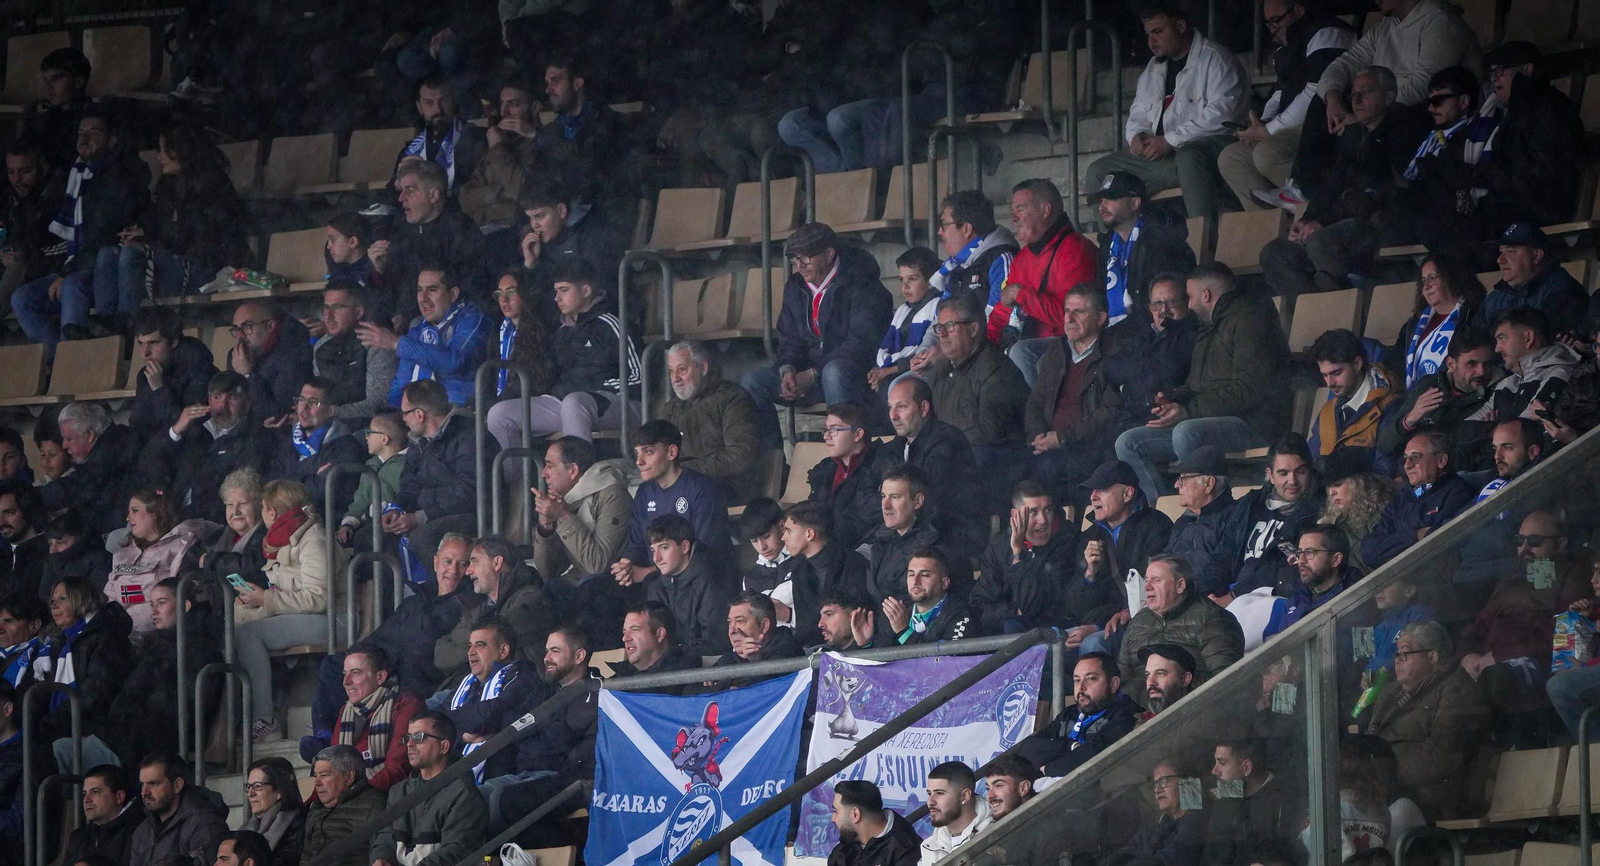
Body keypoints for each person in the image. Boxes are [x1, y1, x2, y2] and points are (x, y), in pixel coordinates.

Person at [1116, 264, 1292, 503]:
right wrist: (1173, 399)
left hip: (1256, 422)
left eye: (1188, 297)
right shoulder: (1209, 326)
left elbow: (1250, 389)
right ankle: (1164, 510)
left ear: (1206, 295)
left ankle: (1208, 509)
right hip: (1211, 418)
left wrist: (1189, 411)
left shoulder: (1251, 319)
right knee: (1128, 442)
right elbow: (1196, 385)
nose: (1187, 305)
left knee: (1186, 432)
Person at [1286, 0, 1480, 210]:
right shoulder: (1384, 28)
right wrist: (1332, 99)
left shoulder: (1442, 21)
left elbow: (1426, 85)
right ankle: (1307, 189)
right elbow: (1344, 64)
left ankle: (1357, 199)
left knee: (1377, 122)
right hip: (1383, 107)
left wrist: (1369, 112)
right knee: (1324, 98)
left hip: (1424, 115)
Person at [1258, 66, 1430, 296]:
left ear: (1389, 96)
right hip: (1348, 223)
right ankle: (1318, 307)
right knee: (1274, 252)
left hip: (1387, 222)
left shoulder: (1404, 128)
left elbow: (1376, 191)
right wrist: (1309, 218)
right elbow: (1333, 182)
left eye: (1366, 92)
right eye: (1353, 94)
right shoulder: (1353, 134)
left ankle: (1340, 305)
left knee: (1322, 241)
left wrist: (1323, 224)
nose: (1356, 99)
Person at [1084, 4, 1246, 222]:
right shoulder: (1153, 68)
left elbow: (1223, 116)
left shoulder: (1216, 59)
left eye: (1158, 32)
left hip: (1210, 151)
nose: (1152, 40)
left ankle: (1203, 242)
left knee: (1190, 157)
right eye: (1148, 34)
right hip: (1161, 157)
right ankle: (1109, 247)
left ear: (1180, 26)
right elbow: (1138, 111)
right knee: (1099, 172)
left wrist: (1170, 140)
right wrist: (1136, 135)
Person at [739, 223, 892, 449]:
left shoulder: (860, 279)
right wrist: (788, 369)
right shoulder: (796, 287)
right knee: (753, 381)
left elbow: (862, 342)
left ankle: (848, 457)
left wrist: (813, 374)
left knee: (835, 372)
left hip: (856, 374)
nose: (799, 266)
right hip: (812, 377)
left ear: (829, 254)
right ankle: (772, 461)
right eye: (794, 260)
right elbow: (789, 338)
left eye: (806, 258)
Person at [12, 109, 150, 350]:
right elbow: (48, 232)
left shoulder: (120, 175)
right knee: (22, 298)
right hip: (73, 264)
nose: (84, 139)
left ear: (112, 140)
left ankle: (79, 359)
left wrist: (66, 273)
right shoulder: (72, 176)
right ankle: (61, 360)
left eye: (93, 133)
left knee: (72, 286)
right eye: (80, 133)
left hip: (101, 267)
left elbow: (102, 235)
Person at [89, 123, 250, 319]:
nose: (159, 157)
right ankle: (106, 326)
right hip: (171, 260)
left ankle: (127, 323)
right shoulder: (167, 184)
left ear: (184, 150)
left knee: (130, 255)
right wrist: (139, 231)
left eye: (166, 150)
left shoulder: (212, 184)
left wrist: (149, 239)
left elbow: (198, 237)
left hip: (204, 268)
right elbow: (155, 220)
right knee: (108, 254)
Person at [1457, 509, 1589, 749]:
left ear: (1561, 544)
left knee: (1497, 681)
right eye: (1520, 541)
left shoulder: (1573, 574)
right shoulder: (1510, 579)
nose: (1525, 547)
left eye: (1535, 541)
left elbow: (1564, 633)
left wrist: (1499, 656)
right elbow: (1478, 626)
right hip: (1487, 665)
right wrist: (1468, 655)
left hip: (1532, 664)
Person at [1216, 0, 1356, 211]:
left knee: (1267, 153)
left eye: (1276, 21)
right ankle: (1270, 231)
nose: (1273, 29)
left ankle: (1321, 208)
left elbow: (1316, 91)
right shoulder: (1287, 44)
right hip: (1288, 126)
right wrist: (1263, 123)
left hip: (1323, 124)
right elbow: (1281, 88)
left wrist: (1270, 130)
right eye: (1268, 23)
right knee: (1231, 158)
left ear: (1298, 9)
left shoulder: (1327, 32)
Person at [486, 262, 640, 443]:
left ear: (586, 291)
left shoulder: (613, 324)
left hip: (617, 403)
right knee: (499, 414)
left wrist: (593, 389)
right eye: (556, 291)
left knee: (575, 402)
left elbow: (639, 378)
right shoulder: (562, 330)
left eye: (564, 290)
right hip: (567, 401)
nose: (557, 298)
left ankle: (577, 469)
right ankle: (519, 472)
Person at [235, 480, 340, 741]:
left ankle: (265, 720)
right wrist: (256, 599)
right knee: (231, 623)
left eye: (262, 507)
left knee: (248, 634)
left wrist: (267, 600)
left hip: (330, 619)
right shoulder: (285, 539)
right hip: (301, 615)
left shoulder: (313, 538)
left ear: (271, 512)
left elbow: (320, 598)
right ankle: (235, 717)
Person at [1365, 621, 1489, 819]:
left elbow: (1443, 753)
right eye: (1397, 654)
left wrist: (1383, 774)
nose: (1397, 660)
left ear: (1433, 656)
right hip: (1380, 791)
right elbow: (1371, 739)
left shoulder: (1456, 689)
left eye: (1405, 653)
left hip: (1427, 798)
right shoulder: (1389, 693)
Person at [485, 626, 598, 840]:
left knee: (501, 797)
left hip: (557, 776)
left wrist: (536, 722)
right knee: (473, 797)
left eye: (555, 651)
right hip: (522, 773)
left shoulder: (594, 694)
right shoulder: (544, 691)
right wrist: (542, 721)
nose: (546, 658)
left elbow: (569, 743)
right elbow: (511, 724)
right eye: (546, 651)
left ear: (579, 656)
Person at [100, 577, 221, 765]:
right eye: (151, 604)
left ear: (185, 606)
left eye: (162, 603)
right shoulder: (161, 645)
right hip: (142, 730)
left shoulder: (199, 646)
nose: (153, 611)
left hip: (166, 736)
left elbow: (186, 704)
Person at [1026, 285, 1126, 505]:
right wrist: (1038, 436)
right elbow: (1035, 401)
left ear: (1100, 318)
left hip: (1089, 445)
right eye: (1066, 311)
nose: (1069, 318)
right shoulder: (1057, 350)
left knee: (1051, 468)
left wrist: (1062, 438)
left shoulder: (1115, 354)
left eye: (1078, 312)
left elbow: (1110, 412)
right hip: (1050, 444)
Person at [1474, 42, 1588, 231]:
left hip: (1539, 212)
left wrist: (1491, 176)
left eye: (1501, 70)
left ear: (1527, 69)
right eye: (1492, 72)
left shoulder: (1549, 107)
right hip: (1517, 206)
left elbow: (1548, 175)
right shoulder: (1518, 109)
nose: (1494, 78)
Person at [1396, 67, 1500, 262]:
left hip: (1459, 226)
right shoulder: (1430, 136)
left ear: (1463, 101)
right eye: (1429, 102)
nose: (1431, 108)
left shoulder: (1475, 135)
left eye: (1438, 101)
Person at [612, 420, 732, 587]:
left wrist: (647, 573)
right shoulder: (643, 493)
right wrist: (626, 564)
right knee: (595, 588)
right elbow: (637, 543)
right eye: (636, 453)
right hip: (657, 582)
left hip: (700, 585)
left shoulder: (701, 489)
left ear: (671, 452)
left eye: (648, 452)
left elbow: (706, 555)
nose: (639, 461)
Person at [991, 179, 1097, 365]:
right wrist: (980, 346)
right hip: (1032, 345)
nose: (1013, 218)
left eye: (1020, 209)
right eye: (1012, 211)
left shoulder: (1076, 250)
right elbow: (1003, 311)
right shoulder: (1024, 257)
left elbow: (1071, 320)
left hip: (1073, 345)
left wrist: (1020, 293)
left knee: (1023, 353)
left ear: (1045, 210)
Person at [387, 379, 492, 563]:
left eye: (404, 413)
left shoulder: (469, 435)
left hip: (472, 514)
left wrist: (420, 516)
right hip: (431, 513)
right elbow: (409, 484)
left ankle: (446, 591)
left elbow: (468, 492)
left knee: (422, 538)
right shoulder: (418, 441)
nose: (403, 419)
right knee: (371, 535)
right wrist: (398, 509)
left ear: (419, 414)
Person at [1210, 435, 1326, 598]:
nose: (1292, 481)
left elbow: (1283, 566)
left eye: (1300, 472)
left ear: (1310, 471)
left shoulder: (1316, 511)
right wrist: (1209, 593)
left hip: (1269, 598)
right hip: (1228, 593)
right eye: (1283, 473)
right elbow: (1224, 552)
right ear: (1270, 475)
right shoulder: (1250, 504)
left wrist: (1234, 597)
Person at [1118, 555, 1244, 702]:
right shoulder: (1138, 621)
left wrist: (1174, 694)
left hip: (1189, 712)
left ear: (1180, 586)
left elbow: (1227, 682)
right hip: (1136, 716)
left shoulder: (1213, 619)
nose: (1147, 587)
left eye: (1156, 580)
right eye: (1146, 580)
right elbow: (1123, 677)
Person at [370, 712, 488, 866]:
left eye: (419, 737)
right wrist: (381, 857)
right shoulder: (398, 791)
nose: (410, 744)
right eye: (407, 738)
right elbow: (385, 835)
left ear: (444, 746)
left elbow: (458, 850)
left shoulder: (463, 793)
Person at [877, 377, 979, 554]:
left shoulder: (948, 441)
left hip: (947, 541)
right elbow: (868, 491)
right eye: (890, 407)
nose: (893, 416)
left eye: (901, 407)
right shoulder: (893, 448)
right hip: (902, 538)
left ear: (924, 408)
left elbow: (923, 497)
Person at [928, 293, 1029, 463]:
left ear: (974, 329)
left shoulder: (996, 369)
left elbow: (988, 433)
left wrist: (941, 445)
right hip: (950, 452)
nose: (942, 334)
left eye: (950, 326)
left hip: (996, 462)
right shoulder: (940, 367)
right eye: (939, 327)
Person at [370, 159, 488, 305]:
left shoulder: (462, 231)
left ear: (433, 196)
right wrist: (380, 270)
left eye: (410, 190)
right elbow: (391, 294)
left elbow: (472, 291)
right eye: (401, 191)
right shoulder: (400, 229)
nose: (401, 198)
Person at [373, 262, 489, 408]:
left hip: (456, 412)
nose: (423, 298)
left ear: (453, 294)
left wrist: (397, 343)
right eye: (419, 290)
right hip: (416, 417)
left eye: (432, 290)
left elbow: (454, 360)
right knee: (379, 425)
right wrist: (406, 412)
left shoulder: (472, 319)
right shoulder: (417, 331)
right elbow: (398, 388)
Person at [660, 340, 761, 505]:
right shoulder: (670, 409)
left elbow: (740, 456)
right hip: (687, 485)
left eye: (682, 369)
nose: (675, 378)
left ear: (704, 368)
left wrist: (686, 471)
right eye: (671, 372)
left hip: (731, 487)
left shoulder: (732, 398)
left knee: (689, 495)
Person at [1378, 328, 1495, 466]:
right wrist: (1410, 419)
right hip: (1408, 467)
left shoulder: (1495, 393)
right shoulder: (1429, 384)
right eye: (1472, 364)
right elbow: (1384, 444)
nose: (1481, 371)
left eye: (1487, 364)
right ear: (1451, 364)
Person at [1091, 172, 1196, 326]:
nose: (1102, 207)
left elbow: (1172, 300)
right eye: (1101, 200)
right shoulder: (1108, 245)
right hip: (1117, 334)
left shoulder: (1162, 240)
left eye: (1111, 198)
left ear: (1135, 203)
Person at [1360, 431, 1476, 568]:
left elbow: (1436, 541)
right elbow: (1369, 552)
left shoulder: (1458, 492)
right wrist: (1415, 536)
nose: (1407, 466)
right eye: (1405, 459)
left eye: (1415, 457)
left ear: (1441, 460)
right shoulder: (1400, 498)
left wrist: (1393, 544)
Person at [1016, 652, 1140, 777]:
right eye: (1076, 680)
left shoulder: (1126, 714)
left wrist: (1048, 768)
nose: (1081, 687)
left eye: (1091, 678)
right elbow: (1029, 747)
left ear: (1113, 684)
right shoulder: (1069, 714)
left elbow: (1093, 758)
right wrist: (1071, 746)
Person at [531, 54, 626, 207]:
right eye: (547, 83)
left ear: (577, 84)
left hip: (597, 218)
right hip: (557, 218)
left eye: (555, 81)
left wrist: (538, 136)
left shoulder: (608, 124)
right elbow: (534, 183)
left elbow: (588, 176)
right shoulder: (553, 130)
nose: (548, 90)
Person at [531, 436, 630, 583]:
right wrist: (546, 526)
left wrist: (563, 515)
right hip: (581, 582)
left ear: (573, 470)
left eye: (550, 465)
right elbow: (549, 571)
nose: (543, 473)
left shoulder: (613, 496)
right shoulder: (566, 499)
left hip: (610, 586)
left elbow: (597, 566)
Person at [106, 488, 202, 636]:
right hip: (119, 634)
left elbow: (177, 594)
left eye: (135, 510)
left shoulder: (181, 546)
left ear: (156, 513)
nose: (128, 518)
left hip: (159, 634)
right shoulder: (122, 554)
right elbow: (110, 598)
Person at [511, 179, 625, 303]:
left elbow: (603, 291)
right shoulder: (541, 244)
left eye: (540, 216)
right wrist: (530, 265)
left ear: (561, 211)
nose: (534, 225)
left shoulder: (593, 236)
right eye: (530, 218)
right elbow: (535, 299)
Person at [41, 401, 143, 538]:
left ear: (89, 435)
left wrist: (34, 498)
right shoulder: (114, 444)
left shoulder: (108, 458)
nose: (64, 445)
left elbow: (78, 487)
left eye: (69, 439)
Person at [330, 644, 425, 792]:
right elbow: (331, 766)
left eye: (355, 673)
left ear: (380, 677)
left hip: (382, 798)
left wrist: (349, 794)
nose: (346, 681)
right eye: (344, 674)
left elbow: (397, 769)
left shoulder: (405, 705)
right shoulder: (345, 711)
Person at [1307, 329, 1402, 473]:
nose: (1329, 383)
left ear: (1357, 364)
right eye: (1325, 375)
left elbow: (1386, 470)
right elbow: (1310, 466)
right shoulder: (1327, 412)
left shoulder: (1389, 405)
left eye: (1336, 373)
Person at [869, 468, 952, 632]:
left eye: (895, 497)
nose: (885, 506)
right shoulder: (879, 542)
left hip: (912, 642)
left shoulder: (936, 547)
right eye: (883, 496)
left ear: (918, 501)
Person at [640, 515, 735, 657]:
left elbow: (716, 642)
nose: (656, 558)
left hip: (710, 664)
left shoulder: (714, 576)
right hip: (675, 665)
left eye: (664, 548)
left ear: (684, 547)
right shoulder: (655, 587)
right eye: (653, 550)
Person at [1202, 739, 1306, 866]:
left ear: (1246, 767)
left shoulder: (1285, 801)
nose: (1214, 771)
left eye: (1222, 763)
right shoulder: (1225, 800)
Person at [269, 379, 365, 514]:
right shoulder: (289, 440)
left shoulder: (346, 447)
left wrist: (288, 480)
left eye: (313, 402)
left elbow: (321, 493)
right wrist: (309, 476)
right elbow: (271, 482)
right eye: (301, 400)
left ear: (331, 410)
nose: (304, 407)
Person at [1472, 223, 1590, 333]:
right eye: (1501, 251)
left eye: (1510, 251)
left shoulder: (1562, 292)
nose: (1500, 260)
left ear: (1536, 256)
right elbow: (1473, 341)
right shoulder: (1494, 298)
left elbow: (1546, 348)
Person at [783, 501, 870, 646]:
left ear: (809, 534)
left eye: (789, 531)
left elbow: (862, 616)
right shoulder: (798, 573)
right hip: (814, 654)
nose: (783, 537)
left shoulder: (853, 564)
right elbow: (805, 630)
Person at [1389, 254, 1483, 389]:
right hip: (1416, 399)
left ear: (1451, 278)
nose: (1426, 286)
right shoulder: (1416, 322)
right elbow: (1396, 358)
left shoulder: (1473, 316)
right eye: (1423, 280)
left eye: (1432, 278)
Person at [459, 78, 541, 231]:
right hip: (485, 231)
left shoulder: (545, 144)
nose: (504, 112)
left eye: (514, 104)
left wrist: (497, 148)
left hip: (521, 233)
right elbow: (465, 198)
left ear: (535, 107)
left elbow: (524, 195)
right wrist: (501, 193)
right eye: (502, 103)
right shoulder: (500, 141)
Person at [128, 307, 215, 448]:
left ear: (174, 342)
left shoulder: (201, 369)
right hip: (156, 451)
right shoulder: (146, 374)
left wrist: (159, 389)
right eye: (141, 344)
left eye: (153, 343)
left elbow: (190, 427)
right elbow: (137, 424)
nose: (145, 353)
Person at [932, 190, 1017, 333]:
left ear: (966, 229)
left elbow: (999, 319)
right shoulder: (955, 265)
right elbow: (939, 319)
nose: (940, 231)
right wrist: (927, 349)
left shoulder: (1001, 259)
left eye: (945, 224)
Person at [313, 282, 400, 422]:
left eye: (337, 308)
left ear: (358, 312)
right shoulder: (321, 346)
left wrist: (332, 413)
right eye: (325, 308)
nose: (328, 316)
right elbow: (316, 395)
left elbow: (378, 403)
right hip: (328, 422)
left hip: (366, 427)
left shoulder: (376, 344)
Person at [1475, 309, 1581, 424]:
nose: (1497, 349)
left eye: (1503, 338)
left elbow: (1524, 429)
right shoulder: (1505, 384)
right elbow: (1465, 431)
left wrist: (1490, 430)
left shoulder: (1560, 373)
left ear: (1528, 338)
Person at [394, 73, 488, 200]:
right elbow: (392, 198)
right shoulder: (409, 151)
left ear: (453, 101)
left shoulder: (478, 138)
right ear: (419, 107)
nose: (437, 109)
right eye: (429, 103)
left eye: (443, 100)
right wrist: (398, 183)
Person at [805, 403, 885, 550]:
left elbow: (870, 520)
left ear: (857, 434)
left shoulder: (880, 466)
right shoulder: (825, 469)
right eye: (826, 429)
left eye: (834, 429)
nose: (826, 436)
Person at [466, 537, 555, 663]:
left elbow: (495, 636)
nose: (467, 571)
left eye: (474, 561)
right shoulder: (485, 607)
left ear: (497, 563)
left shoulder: (531, 597)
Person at [128, 754, 229, 866]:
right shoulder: (142, 831)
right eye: (142, 784)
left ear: (177, 785)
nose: (144, 792)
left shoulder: (205, 824)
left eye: (154, 784)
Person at [0, 140, 64, 317]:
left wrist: (25, 253)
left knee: (18, 266)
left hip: (50, 272)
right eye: (11, 172)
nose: (17, 179)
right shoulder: (10, 198)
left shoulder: (58, 197)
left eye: (25, 171)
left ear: (42, 168)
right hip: (21, 266)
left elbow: (59, 249)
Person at [225, 301, 316, 421]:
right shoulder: (237, 354)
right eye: (236, 329)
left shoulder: (295, 355)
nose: (240, 336)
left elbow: (278, 414)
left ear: (270, 326)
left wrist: (248, 375)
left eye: (247, 327)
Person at [870, 247, 943, 394]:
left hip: (925, 370)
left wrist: (889, 370)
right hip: (900, 368)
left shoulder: (939, 306)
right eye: (901, 279)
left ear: (930, 281)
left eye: (912, 279)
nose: (905, 286)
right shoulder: (905, 310)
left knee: (890, 386)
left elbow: (926, 353)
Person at [302, 745, 387, 866]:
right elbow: (306, 856)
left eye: (324, 775)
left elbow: (381, 849)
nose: (317, 782)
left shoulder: (374, 802)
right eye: (316, 776)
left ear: (349, 776)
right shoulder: (315, 807)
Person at [1114, 758, 1206, 866]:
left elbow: (1167, 862)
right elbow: (1125, 853)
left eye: (1164, 781)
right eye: (1155, 784)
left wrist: (1144, 855)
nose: (1157, 790)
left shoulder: (1196, 821)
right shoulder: (1155, 822)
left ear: (1186, 782)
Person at [875, 548, 974, 646]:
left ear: (944, 583)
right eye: (911, 574)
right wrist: (865, 644)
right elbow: (881, 656)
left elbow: (948, 659)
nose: (915, 581)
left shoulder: (961, 615)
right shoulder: (898, 611)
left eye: (925, 575)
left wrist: (905, 632)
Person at [337, 413, 409, 546]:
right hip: (366, 524)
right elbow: (360, 500)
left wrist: (369, 513)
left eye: (369, 432)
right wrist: (348, 523)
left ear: (384, 439)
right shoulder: (371, 465)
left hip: (392, 527)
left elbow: (402, 502)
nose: (366, 436)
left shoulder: (405, 466)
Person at [20, 48, 91, 172]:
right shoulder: (43, 121)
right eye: (45, 80)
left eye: (56, 78)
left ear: (78, 81)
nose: (49, 86)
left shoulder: (95, 119)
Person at [63, 765, 145, 866]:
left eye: (95, 792)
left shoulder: (140, 832)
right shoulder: (79, 837)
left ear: (119, 797)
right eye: (84, 793)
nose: (86, 799)